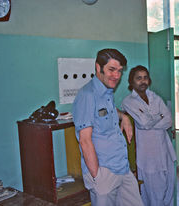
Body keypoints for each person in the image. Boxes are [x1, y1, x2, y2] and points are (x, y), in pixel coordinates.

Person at [72, 49, 144, 206]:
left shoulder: (107, 92)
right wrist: (97, 178)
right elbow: (85, 141)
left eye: (119, 71)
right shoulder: (87, 95)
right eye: (112, 70)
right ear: (98, 68)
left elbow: (106, 111)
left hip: (122, 166)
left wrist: (123, 116)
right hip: (104, 171)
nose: (117, 76)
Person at [121, 65, 177, 206]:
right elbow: (143, 124)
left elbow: (169, 121)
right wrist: (160, 116)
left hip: (166, 153)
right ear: (131, 82)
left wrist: (153, 119)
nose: (143, 81)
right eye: (138, 78)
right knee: (153, 196)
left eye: (145, 77)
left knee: (169, 193)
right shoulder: (128, 102)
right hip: (148, 157)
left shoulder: (155, 98)